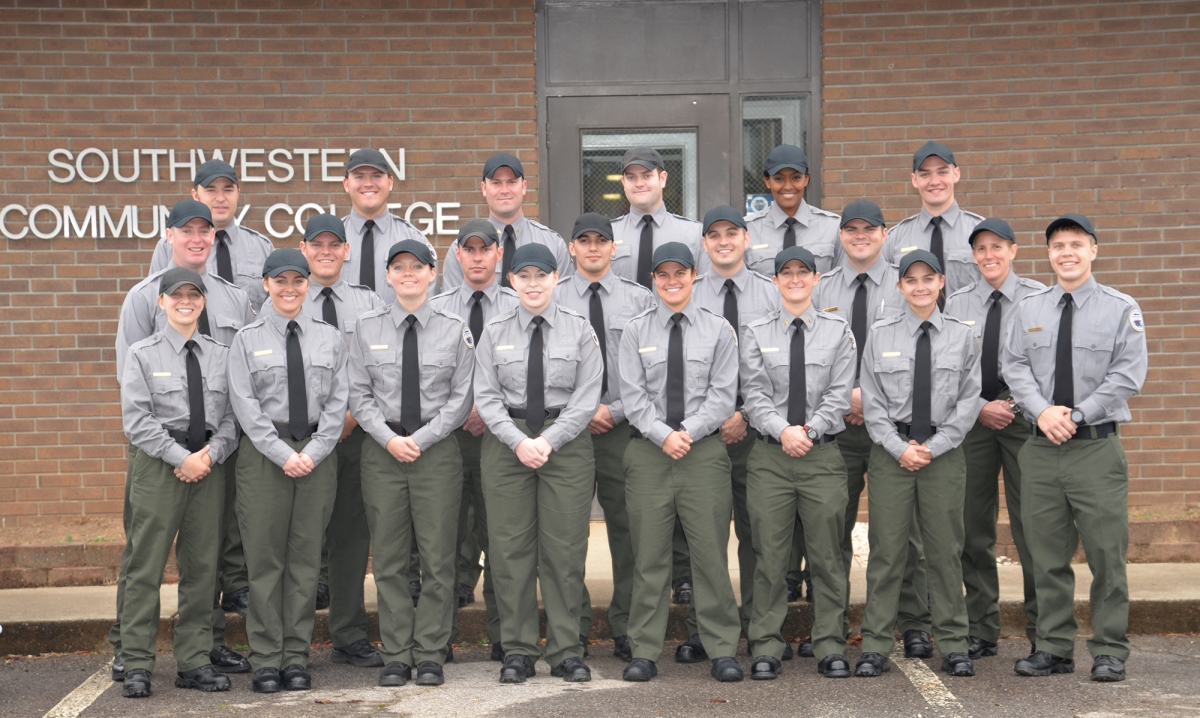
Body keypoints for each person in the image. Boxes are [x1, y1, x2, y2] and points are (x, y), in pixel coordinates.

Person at [111, 199, 254, 682]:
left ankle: (195, 658)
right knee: (144, 563)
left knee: (203, 565)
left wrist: (211, 453)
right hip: (160, 460)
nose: (186, 302)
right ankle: (133, 659)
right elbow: (136, 411)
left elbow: (235, 407)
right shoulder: (142, 324)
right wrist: (180, 456)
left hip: (211, 459)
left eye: (204, 230)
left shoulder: (227, 322)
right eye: (178, 297)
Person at [1003, 214, 1147, 682]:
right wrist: (1043, 411)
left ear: (1093, 250)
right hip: (1041, 450)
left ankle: (1109, 649)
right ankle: (1053, 647)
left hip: (1095, 450)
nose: (1067, 252)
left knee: (1106, 555)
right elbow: (1014, 366)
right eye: (1058, 245)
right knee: (1044, 556)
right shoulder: (1028, 309)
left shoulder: (1120, 308)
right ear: (1048, 254)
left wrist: (1078, 414)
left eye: (1076, 244)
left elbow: (1127, 375)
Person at [474, 243, 604, 684]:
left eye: (541, 275)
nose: (532, 284)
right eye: (523, 276)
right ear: (511, 280)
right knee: (510, 552)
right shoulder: (493, 332)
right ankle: (519, 650)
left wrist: (547, 440)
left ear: (555, 278)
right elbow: (486, 398)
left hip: (564, 446)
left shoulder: (580, 330)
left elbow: (587, 398)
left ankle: (567, 649)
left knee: (564, 551)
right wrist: (518, 441)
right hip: (506, 445)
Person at [348, 239, 474, 687]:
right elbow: (358, 395)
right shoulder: (365, 328)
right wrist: (388, 439)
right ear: (387, 275)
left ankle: (432, 653)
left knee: (439, 560)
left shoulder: (454, 328)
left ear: (431, 274)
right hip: (382, 453)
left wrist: (420, 439)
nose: (407, 274)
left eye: (416, 267)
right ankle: (398, 654)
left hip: (435, 452)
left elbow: (461, 398)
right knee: (390, 560)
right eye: (398, 267)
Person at [618, 242, 744, 684]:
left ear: (694, 275)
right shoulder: (635, 331)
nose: (672, 281)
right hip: (649, 453)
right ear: (653, 279)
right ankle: (645, 651)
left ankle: (721, 648)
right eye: (663, 274)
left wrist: (685, 432)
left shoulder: (719, 329)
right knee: (649, 557)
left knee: (709, 553)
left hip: (703, 454)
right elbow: (632, 398)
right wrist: (663, 434)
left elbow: (724, 396)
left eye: (680, 273)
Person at [855, 250, 981, 679]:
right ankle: (874, 644)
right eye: (912, 280)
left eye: (928, 278)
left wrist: (935, 446)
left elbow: (969, 401)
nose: (921, 286)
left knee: (945, 552)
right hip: (892, 454)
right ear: (900, 286)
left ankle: (953, 644)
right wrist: (898, 447)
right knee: (887, 553)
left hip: (942, 455)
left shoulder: (963, 336)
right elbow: (871, 402)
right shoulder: (881, 334)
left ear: (941, 282)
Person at [811, 200, 930, 655]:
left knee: (900, 532)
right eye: (851, 229)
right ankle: (832, 621)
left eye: (870, 228)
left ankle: (914, 620)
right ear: (840, 235)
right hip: (836, 429)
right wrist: (847, 397)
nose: (860, 235)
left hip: (890, 429)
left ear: (885, 233)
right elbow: (815, 352)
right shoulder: (822, 288)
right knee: (830, 531)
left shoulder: (905, 282)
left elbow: (915, 350)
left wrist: (871, 400)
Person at [228, 248, 348, 693]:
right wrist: (283, 454)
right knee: (264, 561)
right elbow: (245, 404)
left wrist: (315, 451)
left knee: (305, 562)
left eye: (298, 280)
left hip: (316, 453)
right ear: (265, 284)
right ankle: (265, 659)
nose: (290, 288)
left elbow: (338, 402)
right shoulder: (246, 338)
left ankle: (296, 657)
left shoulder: (329, 338)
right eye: (280, 281)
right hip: (264, 456)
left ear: (308, 284)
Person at [740, 246, 856, 680]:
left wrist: (806, 432)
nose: (794, 279)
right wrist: (783, 430)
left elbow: (840, 394)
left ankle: (829, 644)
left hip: (821, 456)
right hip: (771, 456)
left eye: (801, 272)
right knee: (769, 556)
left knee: (826, 555)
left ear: (816, 279)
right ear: (775, 281)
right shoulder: (756, 332)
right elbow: (753, 394)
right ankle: (767, 645)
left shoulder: (837, 331)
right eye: (785, 272)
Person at [677, 205, 779, 662]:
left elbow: (780, 365)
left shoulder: (771, 292)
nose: (723, 241)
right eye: (714, 234)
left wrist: (744, 413)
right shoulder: (686, 292)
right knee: (706, 537)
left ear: (746, 238)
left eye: (731, 233)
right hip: (702, 435)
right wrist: (712, 418)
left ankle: (761, 630)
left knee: (758, 533)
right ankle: (707, 630)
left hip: (758, 431)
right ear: (704, 243)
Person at [555, 212, 655, 663]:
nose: (593, 248)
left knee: (629, 531)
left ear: (615, 248)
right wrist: (579, 412)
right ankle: (570, 629)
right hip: (565, 432)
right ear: (571, 248)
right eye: (584, 241)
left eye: (602, 241)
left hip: (622, 429)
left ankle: (629, 626)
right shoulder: (550, 298)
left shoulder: (638, 300)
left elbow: (652, 368)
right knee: (567, 534)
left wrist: (612, 409)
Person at [944, 218, 1045, 659]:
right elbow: (949, 365)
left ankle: (1044, 630)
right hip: (974, 420)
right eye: (981, 249)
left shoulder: (1040, 298)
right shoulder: (958, 301)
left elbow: (1047, 366)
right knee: (972, 526)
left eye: (997, 247)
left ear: (1014, 250)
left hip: (1026, 421)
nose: (989, 255)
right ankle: (981, 627)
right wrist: (979, 407)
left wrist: (1018, 407)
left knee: (1036, 527)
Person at [428, 219, 521, 660]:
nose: (479, 257)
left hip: (502, 436)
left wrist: (488, 411)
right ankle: (439, 637)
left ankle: (505, 636)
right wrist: (459, 411)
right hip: (448, 436)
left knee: (502, 539)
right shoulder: (436, 305)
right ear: (458, 255)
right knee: (442, 539)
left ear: (498, 254)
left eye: (486, 249)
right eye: (470, 249)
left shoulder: (519, 304)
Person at [298, 213, 386, 667]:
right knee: (301, 539)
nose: (326, 251)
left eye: (335, 245)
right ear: (305, 248)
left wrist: (352, 416)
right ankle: (290, 642)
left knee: (352, 539)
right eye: (318, 244)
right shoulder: (287, 296)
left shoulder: (368, 302)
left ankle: (349, 634)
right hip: (303, 441)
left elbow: (375, 366)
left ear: (346, 250)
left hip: (355, 436)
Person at [149, 160, 274, 312]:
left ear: (238, 193)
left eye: (228, 190)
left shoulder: (262, 247)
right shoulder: (168, 246)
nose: (220, 198)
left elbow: (272, 308)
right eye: (211, 190)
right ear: (195, 195)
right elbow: (155, 305)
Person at [440, 153, 572, 291]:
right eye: (496, 183)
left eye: (512, 182)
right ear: (484, 188)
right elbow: (453, 307)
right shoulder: (463, 249)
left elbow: (563, 301)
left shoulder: (553, 243)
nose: (504, 190)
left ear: (524, 186)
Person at [882, 141, 984, 299]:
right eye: (925, 174)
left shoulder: (980, 231)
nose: (934, 181)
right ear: (914, 180)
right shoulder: (895, 238)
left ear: (956, 174)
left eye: (942, 172)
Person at [609, 147, 710, 288]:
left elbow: (705, 289)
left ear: (662, 179)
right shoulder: (607, 235)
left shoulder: (694, 233)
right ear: (623, 182)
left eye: (646, 176)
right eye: (631, 177)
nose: (639, 183)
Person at [340, 149, 431, 302]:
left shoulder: (413, 238)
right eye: (359, 176)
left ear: (390, 182)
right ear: (346, 184)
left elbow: (428, 302)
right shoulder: (330, 241)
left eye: (376, 176)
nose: (368, 184)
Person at [743, 145, 842, 275]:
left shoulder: (833, 227)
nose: (788, 186)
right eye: (779, 179)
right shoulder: (748, 229)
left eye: (796, 178)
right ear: (767, 181)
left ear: (806, 179)